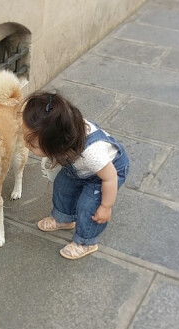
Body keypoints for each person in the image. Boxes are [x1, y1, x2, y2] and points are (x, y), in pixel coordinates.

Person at [22, 92, 129, 259]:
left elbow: (110, 177)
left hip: (106, 173)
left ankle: (86, 241)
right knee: (63, 187)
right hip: (80, 167)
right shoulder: (64, 132)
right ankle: (64, 218)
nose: (25, 144)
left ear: (56, 143)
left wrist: (106, 206)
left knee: (89, 206)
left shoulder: (92, 153)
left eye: (31, 144)